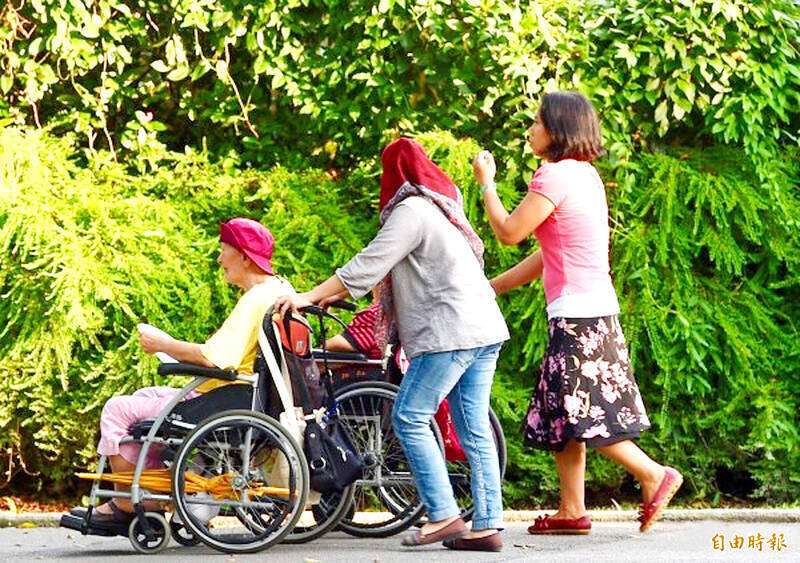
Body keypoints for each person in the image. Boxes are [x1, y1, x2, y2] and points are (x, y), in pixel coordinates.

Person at [276, 137, 509, 552]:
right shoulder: (440, 209)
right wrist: (332, 293)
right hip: (484, 328)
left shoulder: (412, 211)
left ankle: (443, 516)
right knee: (474, 428)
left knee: (410, 416)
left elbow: (368, 264)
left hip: (449, 332)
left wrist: (309, 296)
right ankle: (487, 525)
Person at [472, 91, 682, 535]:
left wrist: (486, 184)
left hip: (577, 317)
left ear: (558, 129)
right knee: (560, 413)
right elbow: (549, 255)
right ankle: (572, 510)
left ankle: (652, 474)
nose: (530, 129)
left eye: (536, 122)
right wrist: (493, 287)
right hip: (591, 310)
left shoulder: (552, 177)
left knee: (585, 413)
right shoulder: (585, 176)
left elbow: (509, 232)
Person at [73, 217, 294, 527]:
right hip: (242, 395)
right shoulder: (280, 289)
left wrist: (165, 344)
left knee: (117, 410)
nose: (219, 259)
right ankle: (145, 490)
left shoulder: (255, 300)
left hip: (224, 395)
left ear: (244, 257)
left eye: (223, 250)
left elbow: (215, 358)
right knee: (142, 399)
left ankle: (127, 502)